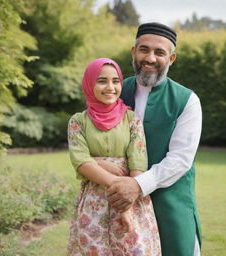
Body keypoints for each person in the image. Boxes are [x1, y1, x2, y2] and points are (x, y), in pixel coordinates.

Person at [106, 22, 202, 256]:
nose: (150, 58)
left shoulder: (187, 100)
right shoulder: (113, 91)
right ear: (133, 52)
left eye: (159, 52)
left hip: (170, 204)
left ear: (171, 58)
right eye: (144, 49)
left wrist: (138, 185)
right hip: (118, 203)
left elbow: (180, 159)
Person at [67, 58, 161, 255]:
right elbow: (81, 162)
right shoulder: (78, 122)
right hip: (96, 201)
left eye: (115, 81)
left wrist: (126, 202)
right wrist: (113, 178)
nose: (110, 87)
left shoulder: (132, 119)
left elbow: (138, 159)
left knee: (133, 248)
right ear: (89, 84)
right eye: (102, 81)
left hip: (131, 196)